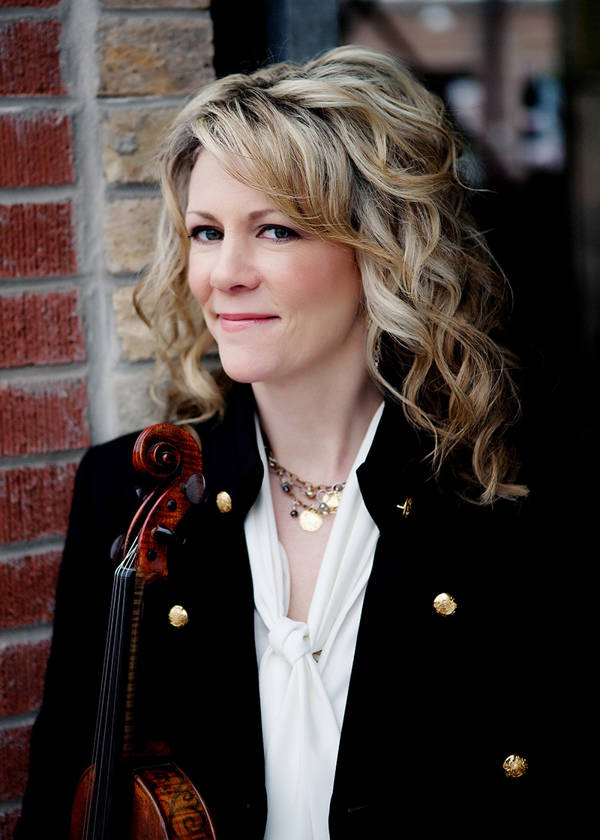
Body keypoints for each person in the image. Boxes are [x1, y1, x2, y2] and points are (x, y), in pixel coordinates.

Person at [16, 45, 553, 839]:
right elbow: (61, 786)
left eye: (274, 229)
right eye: (206, 232)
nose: (224, 273)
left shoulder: (500, 490)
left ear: (378, 249)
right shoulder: (122, 488)